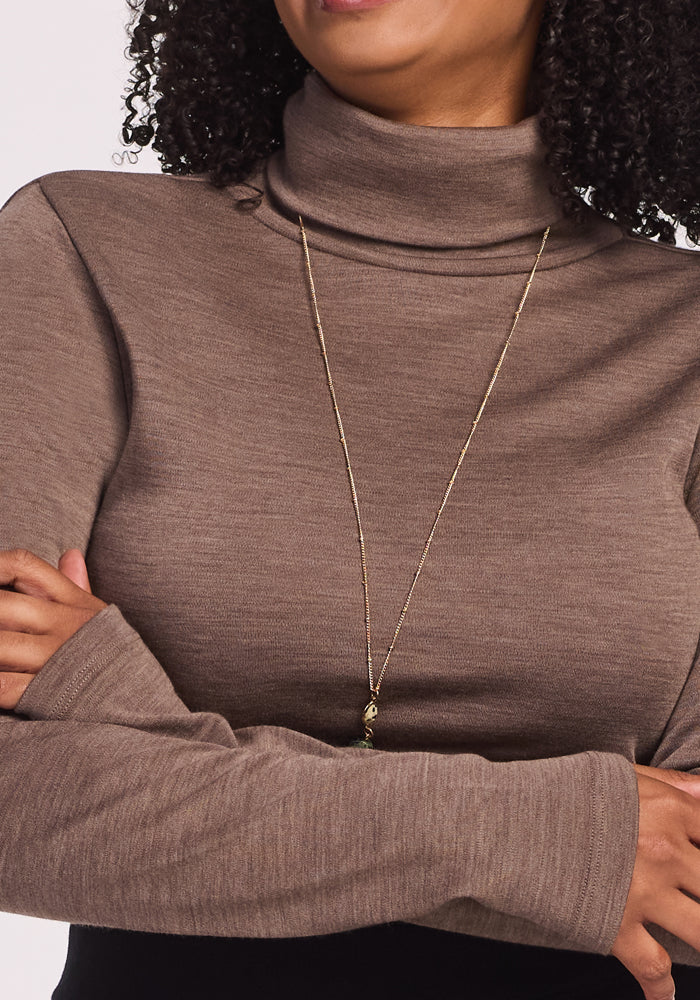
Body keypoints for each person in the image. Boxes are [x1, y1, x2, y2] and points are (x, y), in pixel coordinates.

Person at [0, 0, 698, 997]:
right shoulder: (84, 253)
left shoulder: (684, 339)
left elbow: (690, 875)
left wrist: (119, 710)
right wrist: (549, 838)